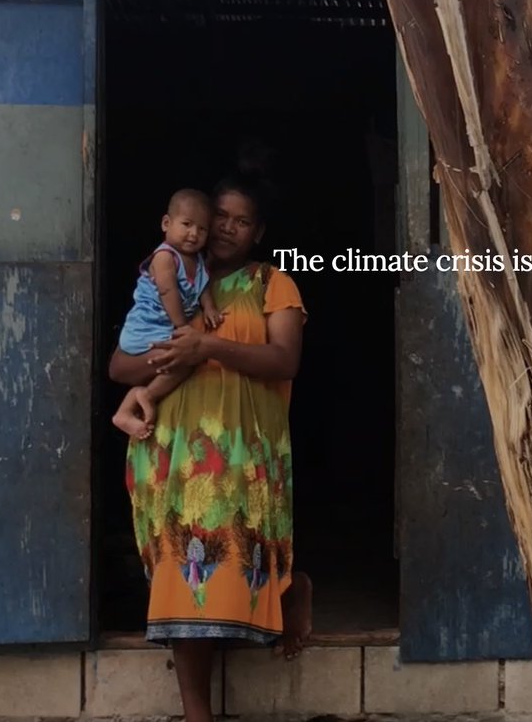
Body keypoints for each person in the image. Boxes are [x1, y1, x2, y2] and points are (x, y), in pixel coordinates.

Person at [108, 164, 312, 722]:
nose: (224, 229)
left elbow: (284, 359)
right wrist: (168, 356)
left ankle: (292, 586)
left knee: (229, 569)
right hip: (171, 455)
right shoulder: (164, 279)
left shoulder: (273, 283)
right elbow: (119, 366)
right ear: (187, 220)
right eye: (218, 215)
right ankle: (197, 713)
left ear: (258, 233)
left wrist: (208, 350)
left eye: (241, 222)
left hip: (243, 457)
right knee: (181, 578)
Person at [111, 188, 225, 439]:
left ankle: (140, 398)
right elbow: (167, 291)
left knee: (185, 362)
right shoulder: (165, 257)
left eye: (202, 229)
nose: (194, 234)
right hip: (147, 327)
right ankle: (131, 406)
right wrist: (181, 326)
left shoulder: (197, 261)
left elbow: (202, 286)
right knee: (183, 360)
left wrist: (210, 307)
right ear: (166, 223)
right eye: (186, 224)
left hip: (163, 328)